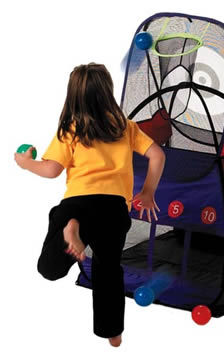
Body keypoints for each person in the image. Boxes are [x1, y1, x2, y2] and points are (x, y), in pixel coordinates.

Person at [14, 63, 165, 347]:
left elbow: (51, 170)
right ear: (107, 92)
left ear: (73, 96)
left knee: (50, 269)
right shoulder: (125, 127)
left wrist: (26, 163)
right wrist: (147, 192)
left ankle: (71, 228)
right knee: (108, 270)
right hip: (113, 209)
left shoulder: (71, 129)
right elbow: (157, 155)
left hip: (77, 205)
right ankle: (113, 333)